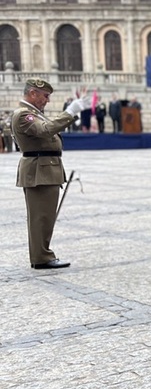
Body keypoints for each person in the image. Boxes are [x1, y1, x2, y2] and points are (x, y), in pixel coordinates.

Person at [11, 78, 87, 270]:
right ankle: (41, 257)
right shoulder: (23, 115)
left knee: (44, 216)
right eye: (45, 96)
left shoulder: (34, 114)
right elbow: (45, 131)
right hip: (39, 171)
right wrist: (69, 112)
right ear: (33, 93)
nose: (47, 100)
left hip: (45, 169)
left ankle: (42, 255)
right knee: (40, 218)